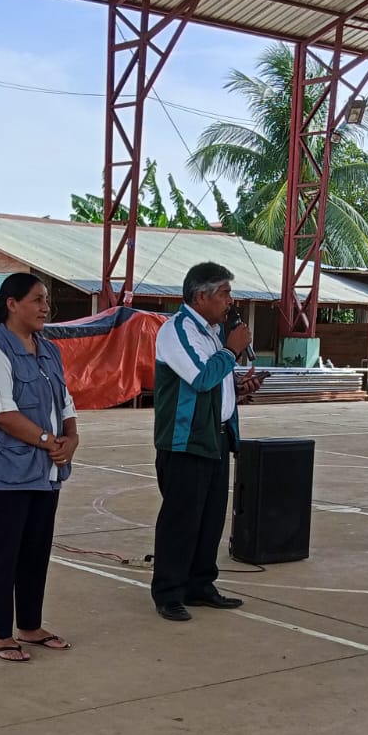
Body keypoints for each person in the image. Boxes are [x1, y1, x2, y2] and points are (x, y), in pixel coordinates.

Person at [0, 272, 78, 662]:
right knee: (2, 554)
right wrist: (50, 442)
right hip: (3, 474)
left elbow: (65, 403)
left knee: (35, 552)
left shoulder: (48, 350)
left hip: (44, 473)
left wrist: (71, 439)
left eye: (46, 300)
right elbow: (3, 415)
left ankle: (30, 626)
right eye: (36, 299)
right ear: (11, 304)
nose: (45, 307)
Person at [150, 261, 262, 622]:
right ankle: (168, 591)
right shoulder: (176, 330)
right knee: (181, 519)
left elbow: (215, 384)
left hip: (215, 436)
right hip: (185, 441)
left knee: (210, 518)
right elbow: (200, 377)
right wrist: (231, 351)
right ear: (201, 295)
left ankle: (200, 584)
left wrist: (238, 389)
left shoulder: (212, 332)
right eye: (225, 293)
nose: (230, 302)